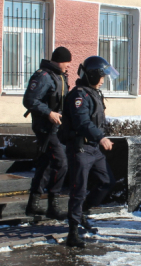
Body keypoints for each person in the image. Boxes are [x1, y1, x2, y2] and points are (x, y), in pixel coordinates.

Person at [60, 56, 117, 248]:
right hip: (81, 148)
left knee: (107, 181)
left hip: (94, 149)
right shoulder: (79, 95)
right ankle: (73, 232)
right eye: (100, 76)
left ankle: (82, 211)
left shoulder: (93, 93)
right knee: (79, 189)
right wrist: (101, 137)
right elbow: (82, 122)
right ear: (91, 75)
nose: (102, 81)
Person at [22, 46, 72, 220]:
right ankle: (53, 204)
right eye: (67, 62)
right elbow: (29, 100)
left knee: (46, 164)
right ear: (59, 61)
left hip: (58, 129)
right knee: (61, 162)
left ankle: (33, 204)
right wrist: (48, 113)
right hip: (46, 128)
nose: (69, 66)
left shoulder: (60, 76)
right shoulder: (43, 76)